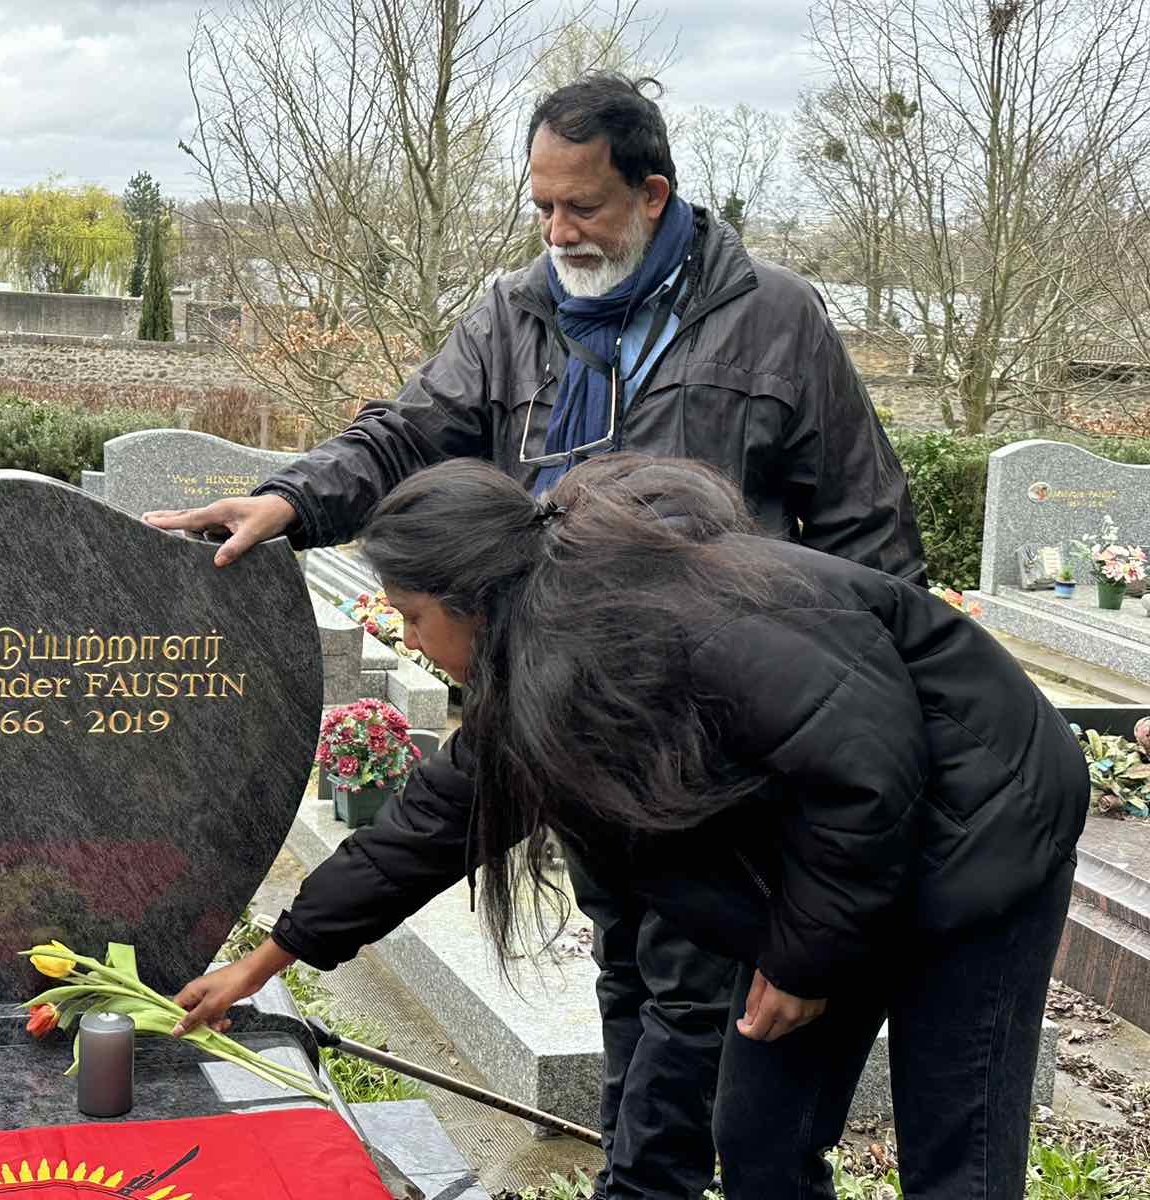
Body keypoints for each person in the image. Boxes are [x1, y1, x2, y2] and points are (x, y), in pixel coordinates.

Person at [148, 72, 926, 1199]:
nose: (559, 233)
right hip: (569, 718)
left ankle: (648, 1183)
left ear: (653, 194)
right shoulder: (515, 313)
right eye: (543, 207)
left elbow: (867, 533)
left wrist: (853, 718)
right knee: (627, 975)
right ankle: (640, 1172)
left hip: (718, 744)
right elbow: (405, 434)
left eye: (584, 207)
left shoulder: (775, 319)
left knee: (693, 1003)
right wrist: (292, 499)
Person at [177, 455, 1087, 1199]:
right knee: (760, 1138)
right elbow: (429, 826)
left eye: (414, 616)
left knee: (955, 1151)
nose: (409, 639)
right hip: (833, 870)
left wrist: (804, 962)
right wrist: (268, 961)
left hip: (979, 833)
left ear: (476, 598)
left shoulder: (673, 619)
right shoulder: (535, 665)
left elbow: (863, 766)